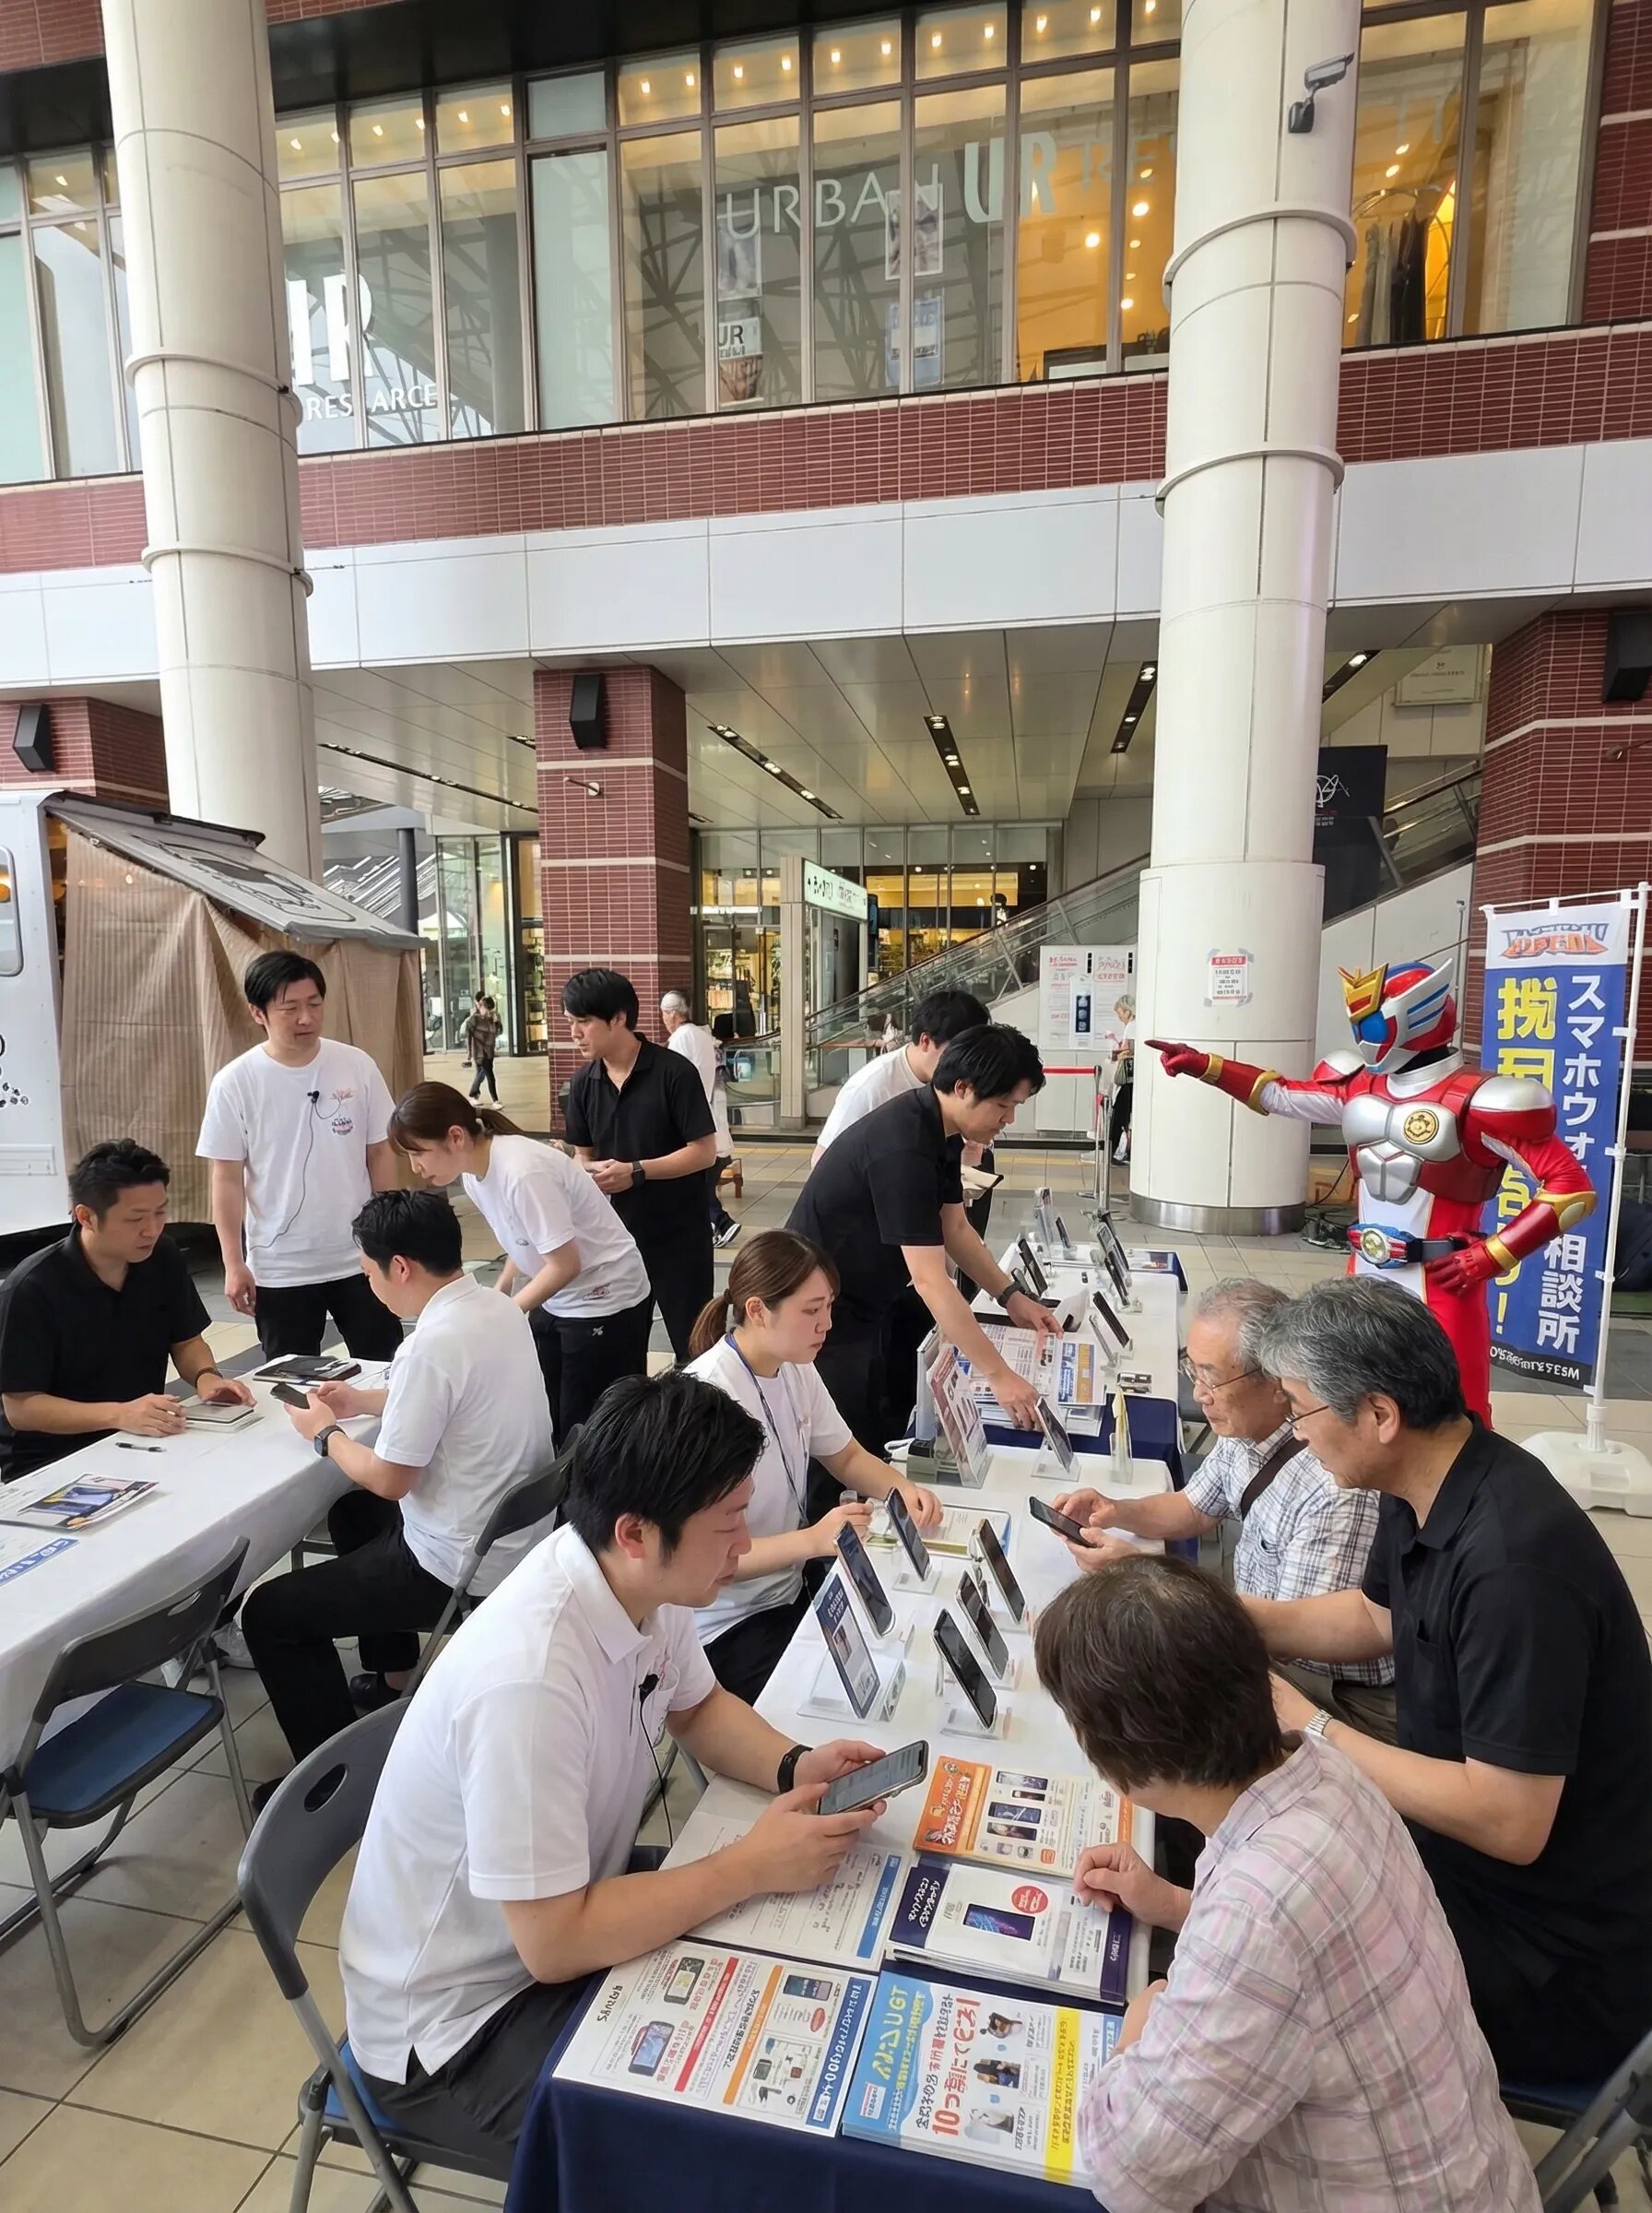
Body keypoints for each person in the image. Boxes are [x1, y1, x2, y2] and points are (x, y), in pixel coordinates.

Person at [339, 1371, 891, 2164]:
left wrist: (796, 1764)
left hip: (562, 1907)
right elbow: (556, 1946)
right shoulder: (528, 1680)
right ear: (636, 1532)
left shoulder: (637, 1582)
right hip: (463, 2028)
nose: (745, 1543)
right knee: (733, 2124)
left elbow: (698, 1709)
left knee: (800, 1954)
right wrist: (747, 1866)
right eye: (730, 1521)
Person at [1032, 1556, 1540, 2213]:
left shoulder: (1257, 1919)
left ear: (1121, 1765)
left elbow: (1133, 2178)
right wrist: (1173, 1905)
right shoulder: (1319, 1765)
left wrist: (1137, 2031)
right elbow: (1315, 1961)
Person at [1246, 1276, 1652, 2082]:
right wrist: (1215, 1613)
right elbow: (1372, 1619)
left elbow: (1510, 1823)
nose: (1294, 1434)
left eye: (1299, 1410)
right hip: (1466, 1869)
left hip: (1552, 1957)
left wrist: (1313, 1727)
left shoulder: (1512, 1567)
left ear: (1379, 1415)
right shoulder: (1426, 1480)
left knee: (1263, 1969)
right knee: (1256, 1870)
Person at [242, 1189, 555, 1771]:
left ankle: (333, 1780)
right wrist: (363, 1398)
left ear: (401, 1268)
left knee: (269, 1614)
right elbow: (453, 1397)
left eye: (367, 1272)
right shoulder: (496, 1308)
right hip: (516, 1540)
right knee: (352, 1513)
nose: (369, 1285)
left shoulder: (427, 1347)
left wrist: (324, 1433)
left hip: (456, 1561)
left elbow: (390, 1480)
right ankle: (392, 1676)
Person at [1051, 1279, 1395, 1743]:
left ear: (1276, 1383)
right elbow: (1195, 1508)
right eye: (1191, 1371)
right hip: (1254, 1634)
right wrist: (1116, 1510)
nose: (1199, 1395)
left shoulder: (1333, 1485)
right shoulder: (1246, 1429)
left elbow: (1287, 1639)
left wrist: (1139, 1573)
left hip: (1320, 1689)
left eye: (1211, 1377)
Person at [787, 1024, 1061, 1483]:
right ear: (962, 1087)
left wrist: (1011, 1296)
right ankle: (825, 1549)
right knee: (836, 1450)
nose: (1008, 1119)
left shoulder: (940, 1128)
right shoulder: (904, 1143)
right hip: (822, 1311)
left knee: (874, 1424)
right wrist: (998, 1376)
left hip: (863, 1300)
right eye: (1004, 1105)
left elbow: (954, 1227)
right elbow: (931, 1279)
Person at [684, 1229, 943, 1700]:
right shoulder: (706, 1401)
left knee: (911, 1645)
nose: (827, 1324)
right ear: (759, 1310)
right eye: (811, 1310)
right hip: (730, 1625)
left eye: (828, 1307)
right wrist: (813, 1541)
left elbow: (844, 1455)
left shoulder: (795, 1365)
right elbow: (702, 1559)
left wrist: (899, 1489)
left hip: (793, 1588)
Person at [388, 1083, 652, 1437]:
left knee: (591, 1427)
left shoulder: (522, 1171)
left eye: (417, 1152)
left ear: (455, 1137)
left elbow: (565, 1263)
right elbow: (524, 1238)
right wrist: (502, 1287)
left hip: (604, 1298)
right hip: (563, 1296)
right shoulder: (474, 1176)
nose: (415, 1167)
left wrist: (506, 1311)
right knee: (549, 1410)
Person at [0, 1139, 253, 1479]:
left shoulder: (161, 1257)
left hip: (140, 1437)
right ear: (86, 1216)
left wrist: (206, 1377)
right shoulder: (32, 1288)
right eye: (135, 1218)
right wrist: (119, 1414)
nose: (152, 1229)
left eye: (160, 1212)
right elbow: (22, 1408)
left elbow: (186, 1340)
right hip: (51, 1461)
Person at [198, 950, 403, 1362]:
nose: (306, 1018)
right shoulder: (235, 1083)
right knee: (294, 1384)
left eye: (314, 1004)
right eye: (289, 1008)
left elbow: (380, 1152)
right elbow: (225, 1179)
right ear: (259, 1013)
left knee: (388, 1368)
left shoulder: (356, 1065)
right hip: (280, 1269)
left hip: (360, 1258)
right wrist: (233, 1263)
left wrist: (389, 1239)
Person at [561, 968, 717, 1361]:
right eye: (570, 1023)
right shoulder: (583, 1084)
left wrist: (636, 1171)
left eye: (583, 1022)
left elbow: (703, 1151)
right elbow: (585, 1155)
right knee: (622, 1352)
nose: (575, 1033)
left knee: (695, 1350)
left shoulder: (673, 1073)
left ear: (618, 1018)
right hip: (616, 1242)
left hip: (678, 1237)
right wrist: (587, 1174)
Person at [812, 989, 990, 1163]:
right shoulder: (871, 1087)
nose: (964, 1063)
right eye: (956, 1052)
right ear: (926, 1041)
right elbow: (822, 1159)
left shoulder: (953, 1082)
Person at [660, 989, 740, 1249]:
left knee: (695, 1187)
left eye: (664, 1012)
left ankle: (721, 1223)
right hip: (711, 1122)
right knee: (698, 1187)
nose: (663, 1018)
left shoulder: (681, 1039)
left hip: (695, 1126)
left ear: (673, 1013)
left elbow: (676, 1085)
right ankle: (714, 1226)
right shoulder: (701, 1035)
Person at [1105, 994, 1134, 1164]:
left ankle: (1117, 1152)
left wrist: (1115, 1056)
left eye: (1120, 1013)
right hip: (1132, 1079)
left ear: (1127, 1011)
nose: (1119, 1017)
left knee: (1119, 1116)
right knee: (1126, 1117)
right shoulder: (1134, 1025)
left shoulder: (1131, 1026)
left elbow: (1128, 1051)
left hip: (1128, 1079)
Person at [462, 993, 501, 1105]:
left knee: (481, 1073)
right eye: (487, 1008)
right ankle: (494, 1099)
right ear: (481, 1006)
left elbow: (496, 1033)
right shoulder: (473, 1020)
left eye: (490, 1009)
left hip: (489, 1052)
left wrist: (496, 1023)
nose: (488, 1011)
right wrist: (469, 1053)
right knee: (489, 1075)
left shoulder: (490, 1019)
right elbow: (468, 1036)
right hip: (479, 1052)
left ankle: (474, 1095)